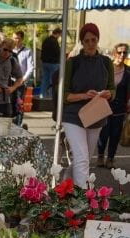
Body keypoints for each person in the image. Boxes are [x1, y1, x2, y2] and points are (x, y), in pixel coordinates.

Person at [62, 23, 115, 188]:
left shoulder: (106, 62)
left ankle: (65, 183)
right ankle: (83, 200)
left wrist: (108, 94)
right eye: (87, 40)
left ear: (98, 40)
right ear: (82, 42)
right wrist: (84, 95)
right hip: (73, 116)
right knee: (82, 158)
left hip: (96, 115)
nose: (91, 43)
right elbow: (64, 95)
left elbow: (113, 88)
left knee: (82, 159)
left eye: (94, 39)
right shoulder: (73, 62)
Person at [97, 42, 129, 169]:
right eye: (119, 52)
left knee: (115, 134)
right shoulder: (107, 68)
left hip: (120, 108)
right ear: (114, 53)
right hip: (105, 106)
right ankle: (100, 155)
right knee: (103, 133)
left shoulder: (128, 71)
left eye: (124, 52)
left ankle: (110, 158)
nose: (122, 55)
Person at [13, 30, 35, 125]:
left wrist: (23, 79)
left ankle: (18, 124)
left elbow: (31, 67)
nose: (15, 40)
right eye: (14, 38)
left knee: (19, 103)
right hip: (9, 82)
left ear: (22, 39)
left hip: (20, 83)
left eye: (17, 38)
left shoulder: (27, 51)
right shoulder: (9, 51)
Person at [41, 28, 62, 98]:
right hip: (53, 63)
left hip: (44, 63)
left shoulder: (46, 40)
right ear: (58, 34)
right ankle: (50, 97)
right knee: (52, 81)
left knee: (45, 80)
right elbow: (57, 52)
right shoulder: (54, 41)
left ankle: (43, 96)